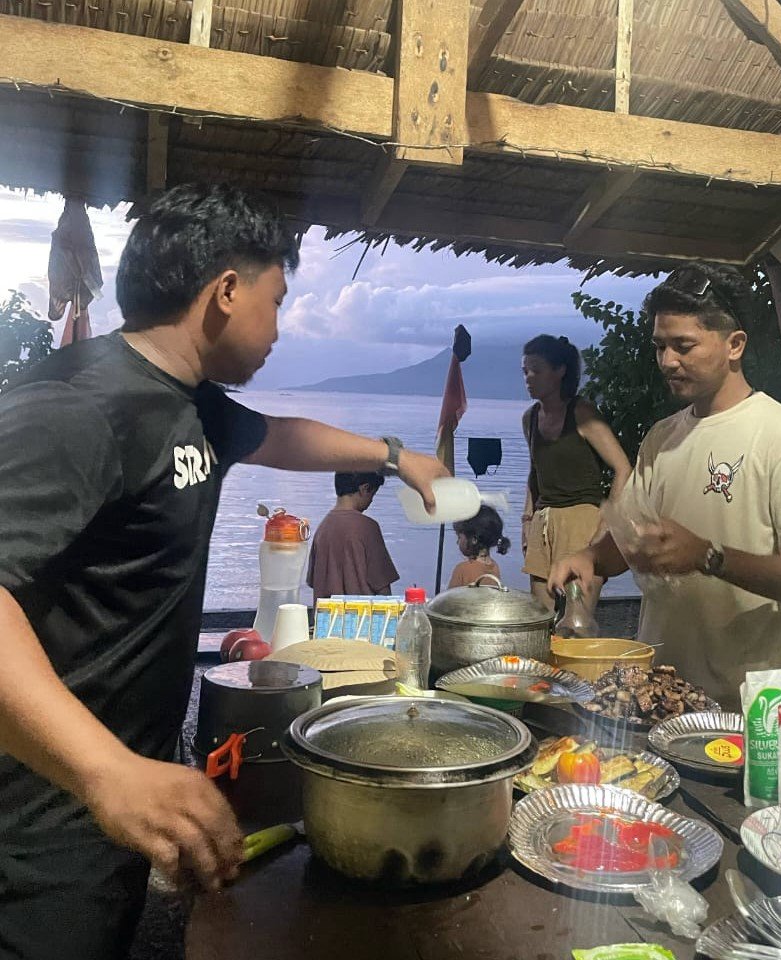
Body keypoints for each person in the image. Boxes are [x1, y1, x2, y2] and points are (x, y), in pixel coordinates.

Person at [0, 183, 447, 960]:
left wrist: (397, 457)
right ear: (226, 292)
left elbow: (279, 437)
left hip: (111, 799)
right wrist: (108, 773)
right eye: (276, 301)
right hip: (38, 818)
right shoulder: (80, 405)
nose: (280, 328)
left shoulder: (191, 404)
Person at [548, 264, 781, 708]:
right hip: (655, 698)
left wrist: (709, 556)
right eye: (660, 347)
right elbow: (635, 541)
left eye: (684, 346)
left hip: (743, 709)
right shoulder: (661, 438)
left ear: (734, 345)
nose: (668, 361)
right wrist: (591, 557)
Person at [521, 334, 631, 613]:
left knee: (576, 619)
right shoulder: (530, 417)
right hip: (544, 521)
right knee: (539, 618)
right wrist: (527, 520)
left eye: (536, 370)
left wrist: (607, 524)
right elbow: (535, 471)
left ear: (559, 371)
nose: (529, 378)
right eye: (525, 371)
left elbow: (623, 468)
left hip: (581, 520)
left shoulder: (581, 413)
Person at [307, 471, 399, 600]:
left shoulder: (322, 529)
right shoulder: (368, 528)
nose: (371, 501)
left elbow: (313, 582)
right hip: (362, 618)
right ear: (364, 489)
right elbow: (383, 588)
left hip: (326, 618)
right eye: (373, 495)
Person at [448, 505, 510, 588]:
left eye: (459, 537)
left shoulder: (462, 569)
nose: (457, 542)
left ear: (474, 539)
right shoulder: (495, 567)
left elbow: (448, 599)